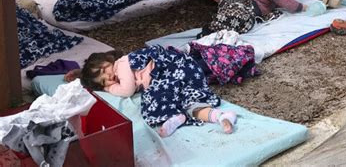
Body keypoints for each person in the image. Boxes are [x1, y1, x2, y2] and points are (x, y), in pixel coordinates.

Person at [79, 46, 237, 137]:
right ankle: (221, 117)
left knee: (152, 97)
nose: (108, 76)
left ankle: (174, 115)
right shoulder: (120, 70)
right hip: (180, 77)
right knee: (190, 102)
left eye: (103, 69)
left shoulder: (122, 64)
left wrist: (109, 87)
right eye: (103, 81)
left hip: (172, 70)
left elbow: (127, 90)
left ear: (107, 58)